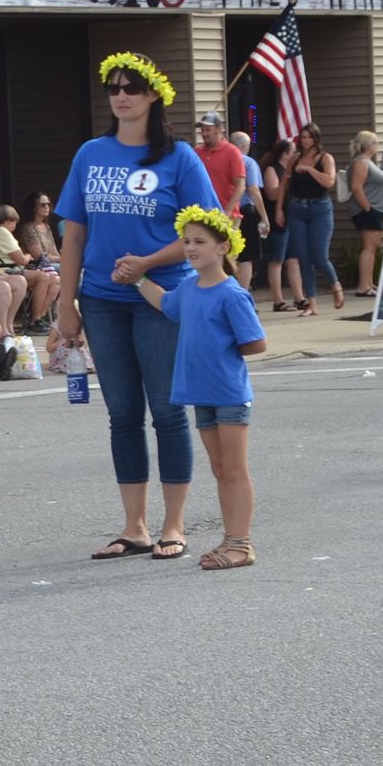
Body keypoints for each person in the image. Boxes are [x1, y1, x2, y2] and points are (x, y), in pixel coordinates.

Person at [49, 51, 218, 561]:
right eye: (114, 87)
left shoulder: (180, 158)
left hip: (162, 298)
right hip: (101, 300)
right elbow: (74, 235)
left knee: (167, 412)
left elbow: (206, 230)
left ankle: (174, 525)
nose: (120, 95)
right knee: (122, 414)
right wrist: (66, 302)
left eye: (131, 87)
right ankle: (134, 526)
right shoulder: (90, 154)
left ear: (153, 96)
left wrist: (147, 261)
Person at [132, 208, 265, 572]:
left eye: (199, 242)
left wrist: (218, 354)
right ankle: (231, 538)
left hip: (229, 395)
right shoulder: (189, 288)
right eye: (187, 241)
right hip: (200, 394)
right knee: (221, 469)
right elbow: (165, 302)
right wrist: (136, 278)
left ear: (223, 247)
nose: (190, 248)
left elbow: (255, 342)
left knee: (235, 469)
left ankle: (241, 543)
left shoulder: (231, 294)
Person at [283, 124, 343, 314]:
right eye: (303, 137)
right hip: (297, 207)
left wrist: (310, 170)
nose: (306, 141)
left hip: (320, 208)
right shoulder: (295, 159)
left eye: (309, 137)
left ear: (316, 139)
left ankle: (335, 285)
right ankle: (312, 304)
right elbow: (285, 183)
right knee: (304, 257)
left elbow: (330, 181)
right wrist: (278, 210)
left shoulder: (325, 158)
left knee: (319, 256)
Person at [195, 111, 248, 273]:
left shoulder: (232, 152)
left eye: (207, 130)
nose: (204, 134)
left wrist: (228, 210)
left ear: (218, 129)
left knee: (227, 259)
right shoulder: (197, 152)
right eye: (202, 130)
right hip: (203, 213)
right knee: (203, 257)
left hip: (228, 215)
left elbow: (241, 185)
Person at [348, 131, 383, 296]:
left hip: (376, 209)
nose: (376, 145)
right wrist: (367, 207)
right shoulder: (360, 162)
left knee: (373, 247)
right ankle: (362, 286)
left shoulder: (369, 162)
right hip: (366, 209)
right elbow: (356, 187)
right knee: (368, 247)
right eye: (374, 142)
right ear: (367, 145)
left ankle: (369, 282)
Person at [0, 205, 36, 333]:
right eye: (15, 222)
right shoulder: (2, 232)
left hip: (7, 269)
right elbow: (21, 260)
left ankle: (12, 323)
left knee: (49, 279)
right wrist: (28, 256)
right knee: (44, 278)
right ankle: (35, 320)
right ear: (8, 221)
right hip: (4, 269)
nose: (15, 226)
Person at [259, 138, 298, 312]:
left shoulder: (291, 170)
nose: (295, 155)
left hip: (292, 219)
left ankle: (299, 297)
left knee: (293, 260)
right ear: (285, 154)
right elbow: (272, 194)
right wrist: (287, 181)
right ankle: (278, 300)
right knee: (276, 260)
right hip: (277, 220)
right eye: (293, 151)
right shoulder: (272, 169)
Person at [21, 193, 64, 331]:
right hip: (37, 265)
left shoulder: (46, 227)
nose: (47, 207)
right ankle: (38, 318)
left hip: (52, 264)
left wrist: (63, 257)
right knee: (69, 272)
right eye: (42, 204)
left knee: (69, 274)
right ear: (34, 207)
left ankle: (43, 315)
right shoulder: (29, 228)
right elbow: (40, 256)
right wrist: (64, 259)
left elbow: (55, 252)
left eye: (48, 204)